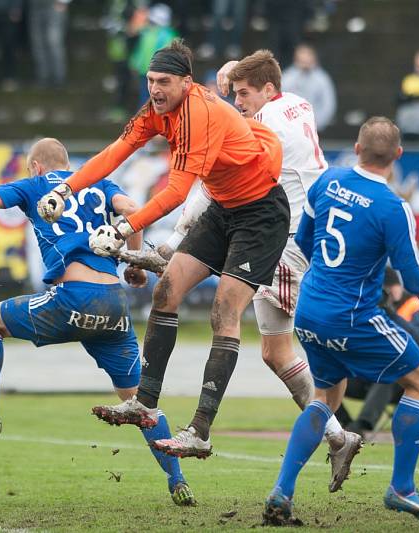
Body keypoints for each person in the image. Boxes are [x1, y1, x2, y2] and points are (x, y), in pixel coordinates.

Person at [38, 40, 288, 459]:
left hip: (260, 215)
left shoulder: (199, 113)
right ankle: (145, 403)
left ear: (186, 83)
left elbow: (175, 192)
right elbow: (117, 151)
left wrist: (124, 229)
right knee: (166, 289)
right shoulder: (158, 108)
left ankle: (201, 431)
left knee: (224, 309)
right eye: (151, 80)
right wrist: (67, 187)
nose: (155, 89)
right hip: (224, 209)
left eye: (164, 82)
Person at [146, 49, 362, 490]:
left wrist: (171, 242)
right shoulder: (297, 102)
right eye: (236, 93)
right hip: (306, 234)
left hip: (287, 241)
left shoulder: (263, 128)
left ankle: (338, 424)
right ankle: (339, 436)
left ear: (267, 91)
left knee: (274, 339)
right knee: (274, 352)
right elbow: (263, 68)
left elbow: (208, 182)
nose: (239, 100)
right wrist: (234, 72)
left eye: (245, 93)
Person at [0, 138, 196, 506]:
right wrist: (136, 263)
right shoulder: (101, 185)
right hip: (113, 305)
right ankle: (178, 481)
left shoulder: (35, 186)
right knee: (140, 403)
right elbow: (134, 211)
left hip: (72, 300)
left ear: (36, 167)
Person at [262, 117, 419, 524]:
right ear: (398, 156)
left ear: (357, 148)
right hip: (352, 317)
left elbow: (305, 242)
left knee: (325, 398)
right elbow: (410, 275)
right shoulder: (394, 207)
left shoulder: (327, 182)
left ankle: (282, 491)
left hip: (309, 310)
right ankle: (402, 488)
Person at [335, 267, 419, 436]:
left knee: (389, 374)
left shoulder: (414, 305)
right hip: (367, 373)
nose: (384, 293)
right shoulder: (365, 305)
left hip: (409, 379)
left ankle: (362, 426)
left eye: (387, 289)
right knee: (327, 375)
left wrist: (390, 313)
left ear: (397, 287)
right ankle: (344, 426)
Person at [281, 44, 336, 132]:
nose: (305, 62)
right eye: (302, 60)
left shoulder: (322, 79)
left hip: (315, 128)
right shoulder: (287, 78)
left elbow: (328, 104)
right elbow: (279, 102)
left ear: (314, 59)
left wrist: (317, 125)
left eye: (307, 58)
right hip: (289, 128)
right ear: (296, 59)